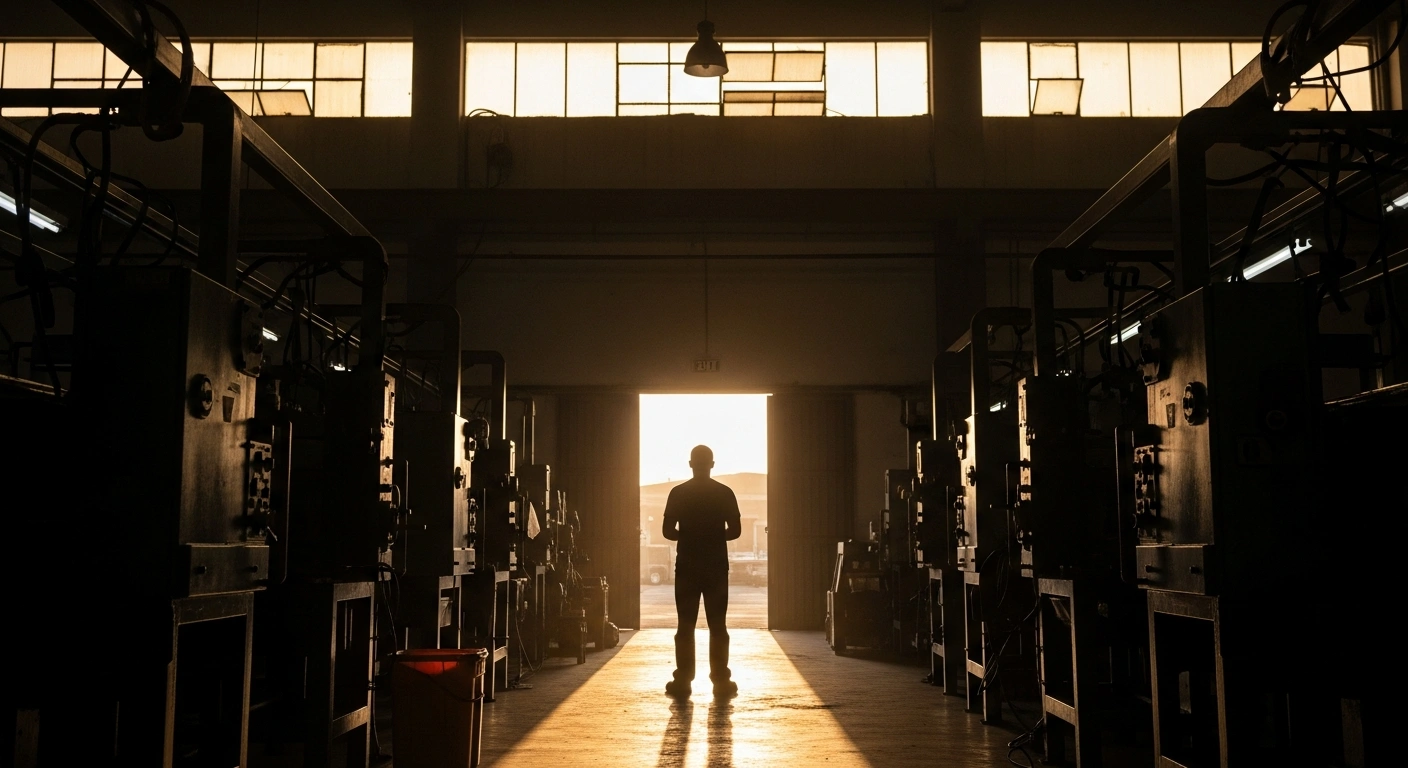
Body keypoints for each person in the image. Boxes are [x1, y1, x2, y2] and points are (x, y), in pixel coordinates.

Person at [661, 444, 741, 697]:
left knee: (685, 625)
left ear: (690, 464)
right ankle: (720, 681)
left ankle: (683, 680)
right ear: (713, 465)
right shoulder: (725, 493)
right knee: (718, 625)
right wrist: (714, 537)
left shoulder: (678, 493)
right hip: (716, 566)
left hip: (687, 567)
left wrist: (688, 536)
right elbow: (736, 531)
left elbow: (667, 531)